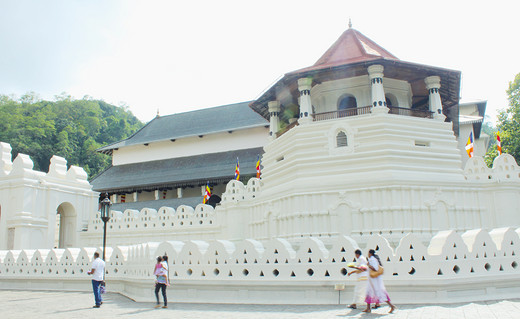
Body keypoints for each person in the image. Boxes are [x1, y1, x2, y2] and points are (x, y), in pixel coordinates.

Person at [363, 249, 396, 313]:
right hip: (372, 280)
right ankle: (368, 308)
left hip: (374, 281)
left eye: (368, 253)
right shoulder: (372, 259)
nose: (368, 254)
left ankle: (391, 306)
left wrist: (368, 265)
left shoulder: (373, 260)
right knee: (369, 293)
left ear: (370, 253)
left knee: (380, 293)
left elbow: (375, 268)